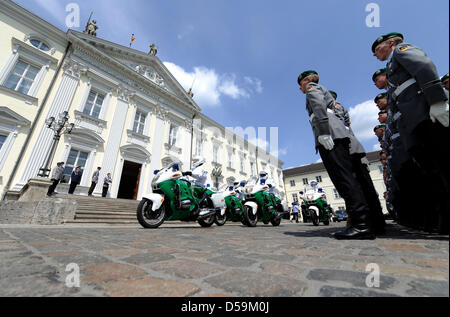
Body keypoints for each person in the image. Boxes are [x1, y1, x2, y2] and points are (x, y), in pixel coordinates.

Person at [372, 32, 449, 233]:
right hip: (415, 122)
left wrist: (437, 100)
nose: (375, 55)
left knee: (443, 164)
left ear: (389, 43)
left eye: (377, 49)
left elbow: (424, 66)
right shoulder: (392, 67)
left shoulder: (401, 51)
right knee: (433, 169)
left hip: (427, 114)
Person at [298, 70, 374, 239]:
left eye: (301, 83)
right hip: (336, 134)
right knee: (347, 179)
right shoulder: (322, 91)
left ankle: (360, 225)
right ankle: (362, 222)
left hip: (330, 135)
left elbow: (318, 107)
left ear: (308, 80)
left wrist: (324, 132)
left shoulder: (312, 87)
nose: (301, 88)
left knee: (344, 179)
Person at [330, 90, 386, 234]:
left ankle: (361, 222)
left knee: (355, 185)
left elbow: (340, 126)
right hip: (353, 148)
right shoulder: (338, 109)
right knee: (363, 186)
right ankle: (375, 222)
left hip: (348, 149)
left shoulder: (334, 108)